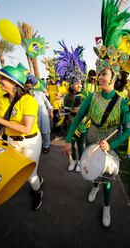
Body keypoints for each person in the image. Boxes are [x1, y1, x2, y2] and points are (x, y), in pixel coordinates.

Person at [63, 0, 130, 227]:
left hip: (108, 146)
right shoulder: (91, 97)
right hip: (91, 140)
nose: (99, 76)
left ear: (114, 76)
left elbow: (129, 128)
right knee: (92, 171)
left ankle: (107, 207)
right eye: (99, 72)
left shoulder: (122, 103)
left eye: (104, 74)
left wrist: (113, 144)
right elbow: (79, 118)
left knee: (107, 178)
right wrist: (70, 140)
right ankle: (94, 187)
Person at [0, 65, 43, 211]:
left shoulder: (28, 100)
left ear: (14, 83)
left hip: (30, 141)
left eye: (3, 78)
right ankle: (38, 181)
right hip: (11, 141)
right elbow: (7, 122)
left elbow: (26, 128)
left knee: (30, 175)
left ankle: (38, 192)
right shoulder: (2, 100)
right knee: (16, 170)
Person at [55, 41, 88, 172]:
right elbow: (65, 110)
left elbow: (86, 110)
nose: (79, 85)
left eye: (80, 83)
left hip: (82, 126)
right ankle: (73, 161)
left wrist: (78, 111)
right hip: (70, 124)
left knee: (81, 146)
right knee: (71, 144)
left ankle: (81, 162)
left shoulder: (85, 95)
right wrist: (63, 111)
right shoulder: (67, 96)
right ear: (71, 84)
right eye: (76, 83)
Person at [25, 74, 53, 154]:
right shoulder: (25, 97)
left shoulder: (40, 93)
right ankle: (39, 146)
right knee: (36, 133)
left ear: (33, 86)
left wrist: (51, 112)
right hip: (33, 118)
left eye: (30, 86)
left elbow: (49, 105)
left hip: (43, 116)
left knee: (46, 132)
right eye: (26, 86)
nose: (29, 88)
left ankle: (46, 146)